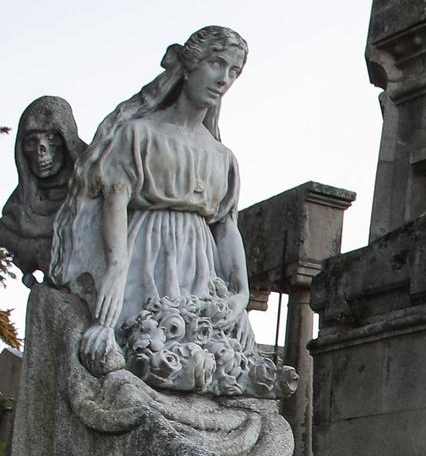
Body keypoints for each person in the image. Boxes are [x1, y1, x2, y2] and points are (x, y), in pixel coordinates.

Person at [49, 24, 267, 384]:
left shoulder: (222, 156)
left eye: (234, 71)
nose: (224, 79)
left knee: (205, 368)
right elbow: (115, 203)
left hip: (200, 265)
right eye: (216, 63)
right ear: (188, 65)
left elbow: (226, 227)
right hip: (145, 254)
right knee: (143, 358)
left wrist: (241, 294)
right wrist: (116, 271)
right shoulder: (139, 133)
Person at [0, 95, 85, 279]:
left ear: (66, 138)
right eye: (31, 142)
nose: (40, 150)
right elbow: (7, 234)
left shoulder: (95, 187)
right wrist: (36, 253)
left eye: (50, 138)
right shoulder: (20, 206)